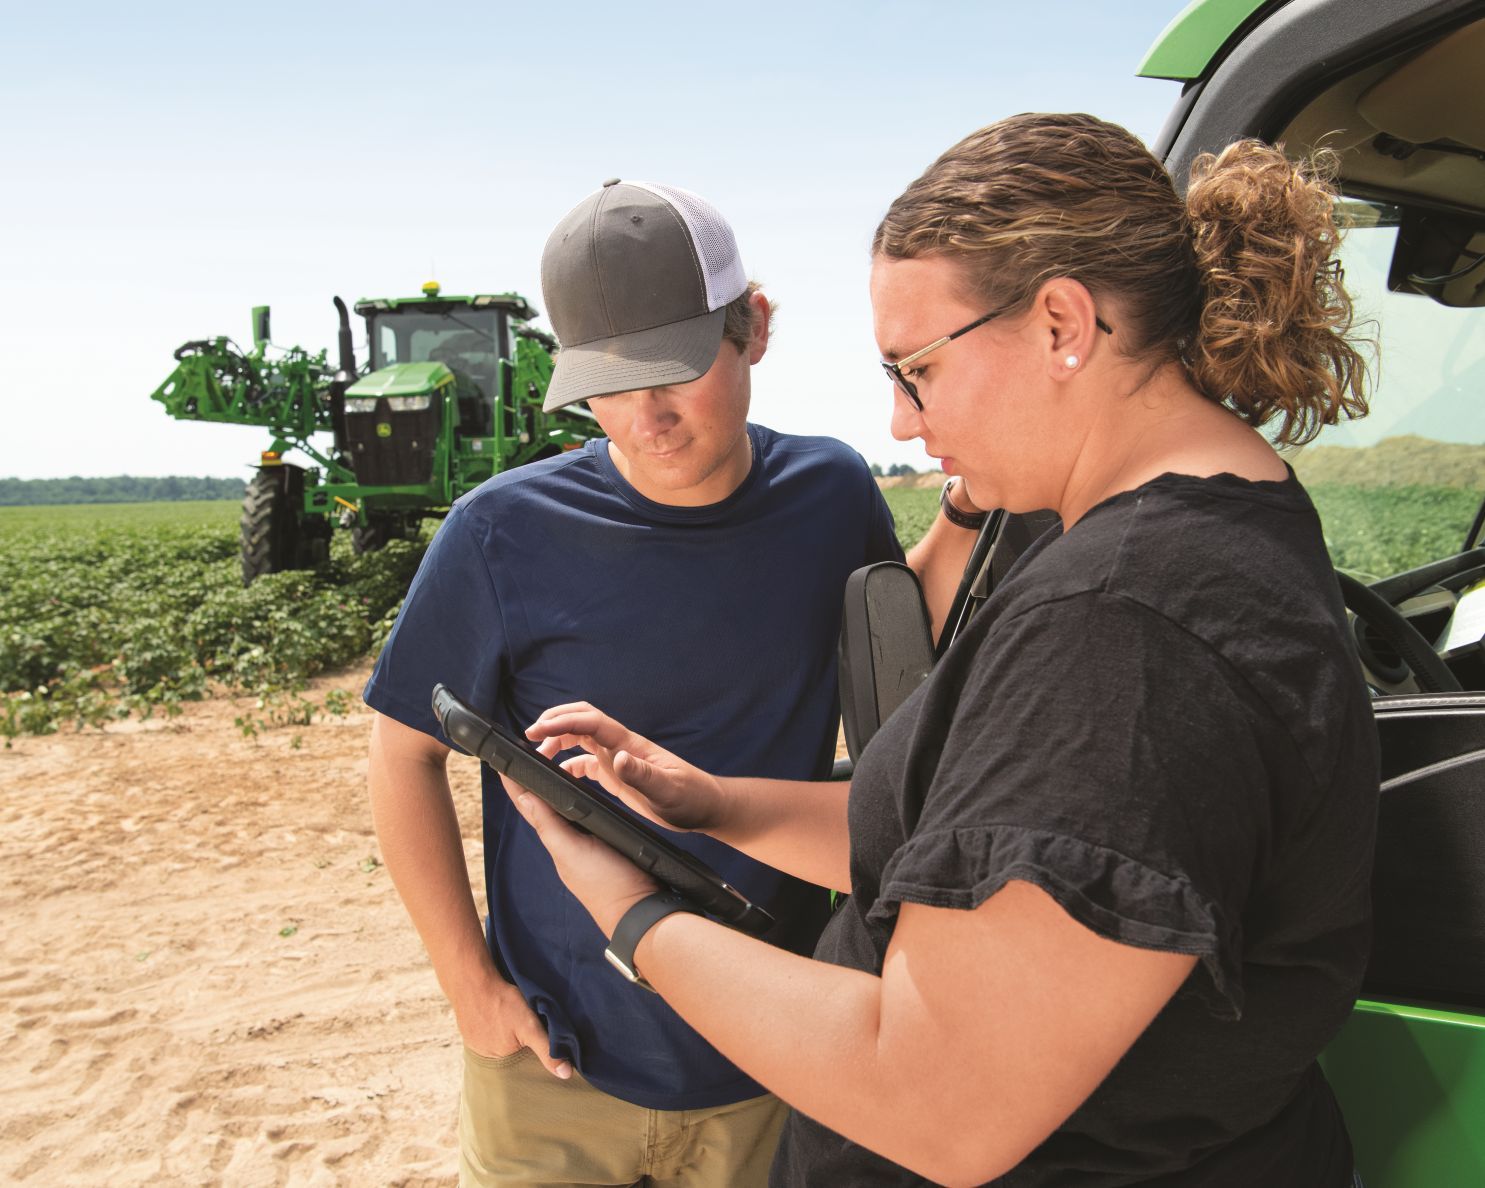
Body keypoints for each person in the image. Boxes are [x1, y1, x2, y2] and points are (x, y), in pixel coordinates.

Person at [508, 116, 1380, 1187]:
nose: (905, 422)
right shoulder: (1187, 538)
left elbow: (936, 1103)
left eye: (917, 369)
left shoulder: (1124, 633)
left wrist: (625, 909)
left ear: (1063, 322)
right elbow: (969, 850)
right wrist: (709, 804)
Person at [364, 179, 975, 1187]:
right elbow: (402, 751)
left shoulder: (829, 496)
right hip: (554, 1062)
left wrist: (966, 502)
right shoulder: (497, 532)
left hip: (772, 1047)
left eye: (676, 370)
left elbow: (887, 638)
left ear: (756, 329)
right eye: (608, 383)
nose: (644, 416)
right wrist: (467, 981)